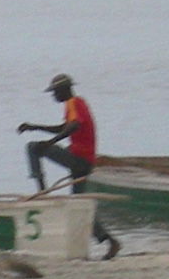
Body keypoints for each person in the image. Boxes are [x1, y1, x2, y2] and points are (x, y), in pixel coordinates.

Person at [18, 73, 119, 257]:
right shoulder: (75, 105)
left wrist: (49, 143)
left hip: (79, 159)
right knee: (79, 205)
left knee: (33, 147)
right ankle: (110, 241)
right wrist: (35, 127)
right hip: (85, 162)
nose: (53, 96)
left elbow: (73, 127)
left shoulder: (74, 103)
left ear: (64, 90)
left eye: (55, 92)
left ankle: (42, 191)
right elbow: (64, 127)